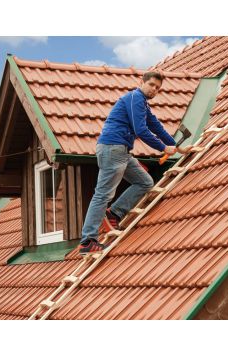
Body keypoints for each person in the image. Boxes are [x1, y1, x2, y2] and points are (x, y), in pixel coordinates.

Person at [79, 71, 193, 255]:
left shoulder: (143, 106)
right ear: (142, 82)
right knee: (103, 194)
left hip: (123, 151)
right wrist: (164, 148)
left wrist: (177, 147)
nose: (154, 89)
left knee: (145, 182)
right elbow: (141, 130)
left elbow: (156, 127)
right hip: (112, 149)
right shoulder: (135, 98)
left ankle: (114, 213)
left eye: (158, 88)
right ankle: (88, 241)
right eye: (152, 85)